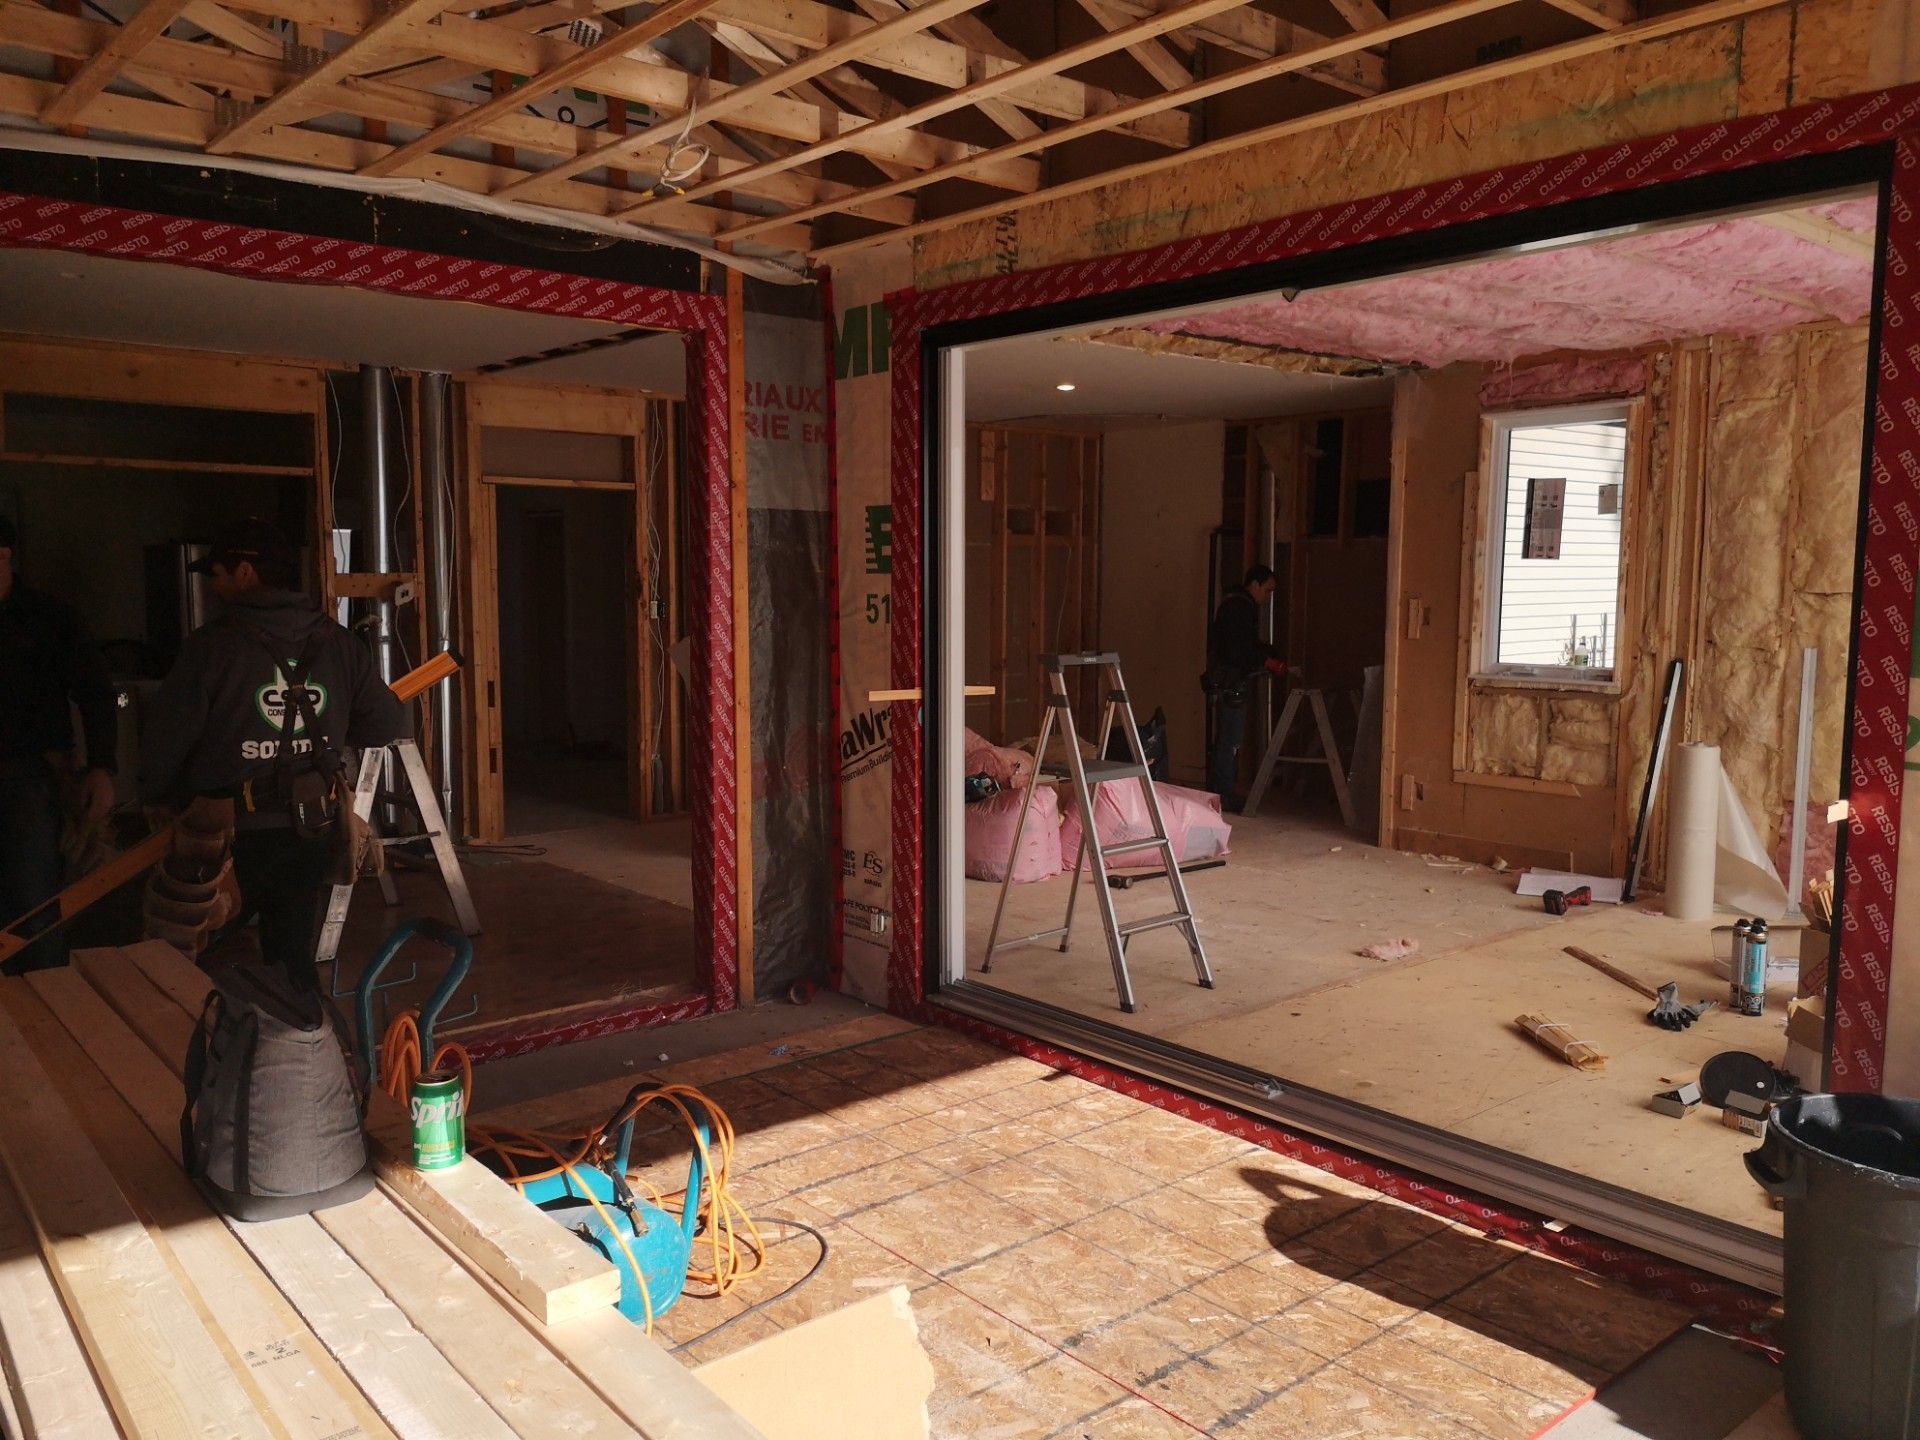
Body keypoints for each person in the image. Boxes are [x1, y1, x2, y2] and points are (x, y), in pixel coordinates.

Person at [138, 518, 407, 991]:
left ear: (245, 572)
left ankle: (205, 1052)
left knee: (197, 956)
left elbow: (165, 741)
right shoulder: (339, 644)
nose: (214, 584)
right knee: (290, 958)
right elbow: (386, 724)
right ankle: (300, 1050)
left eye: (217, 573)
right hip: (310, 828)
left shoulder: (211, 648)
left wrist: (156, 798)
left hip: (223, 835)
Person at [0, 516, 119, 971]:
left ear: (5, 556)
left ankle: (47, 1015)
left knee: (36, 909)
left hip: (32, 777)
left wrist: (102, 767)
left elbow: (95, 692)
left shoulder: (48, 618)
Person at [1204, 563, 1288, 810]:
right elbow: (1238, 649)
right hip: (1230, 683)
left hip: (1230, 681)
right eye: (1268, 590)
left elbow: (1245, 645)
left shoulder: (1239, 606)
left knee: (1228, 739)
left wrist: (1269, 653)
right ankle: (1223, 795)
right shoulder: (1238, 608)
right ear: (1255, 584)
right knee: (1230, 740)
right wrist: (1267, 660)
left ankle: (1220, 792)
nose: (1268, 597)